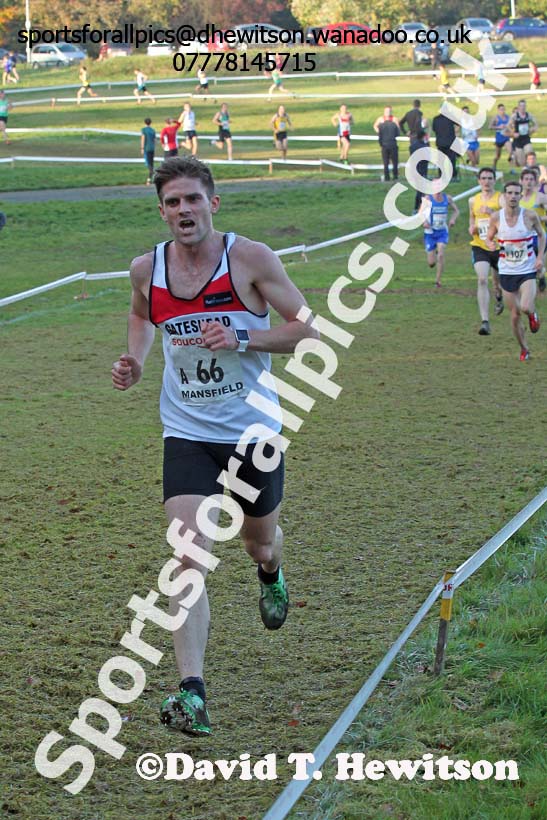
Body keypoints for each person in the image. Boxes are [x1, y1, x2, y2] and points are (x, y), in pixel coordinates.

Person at [111, 157, 318, 736]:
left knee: (259, 544)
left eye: (193, 200)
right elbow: (140, 317)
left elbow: (307, 329)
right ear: (162, 211)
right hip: (186, 433)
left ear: (213, 203)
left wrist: (242, 336)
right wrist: (136, 361)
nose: (184, 211)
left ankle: (272, 572)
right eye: (173, 202)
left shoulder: (249, 259)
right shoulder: (145, 268)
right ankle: (192, 692)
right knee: (187, 557)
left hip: (253, 433)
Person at [486, 180, 544, 360]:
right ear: (504, 196)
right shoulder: (496, 217)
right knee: (514, 315)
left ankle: (533, 314)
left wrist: (540, 257)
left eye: (516, 193)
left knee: (525, 306)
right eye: (509, 193)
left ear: (520, 196)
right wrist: (490, 244)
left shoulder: (530, 216)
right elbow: (489, 237)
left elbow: (542, 235)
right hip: (507, 271)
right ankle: (524, 349)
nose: (513, 196)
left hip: (526, 270)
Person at [469, 167, 505, 335]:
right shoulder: (473, 200)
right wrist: (472, 228)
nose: (486, 181)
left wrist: (493, 213)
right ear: (479, 181)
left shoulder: (501, 199)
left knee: (499, 284)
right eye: (483, 178)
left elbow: (509, 218)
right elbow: (472, 220)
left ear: (494, 180)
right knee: (482, 279)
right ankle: (485, 321)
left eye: (490, 178)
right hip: (480, 246)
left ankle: (499, 296)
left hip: (499, 246)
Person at [419, 180, 460, 287]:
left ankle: (438, 281)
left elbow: (456, 211)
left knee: (441, 255)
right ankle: (434, 253)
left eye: (439, 185)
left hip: (442, 232)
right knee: (431, 263)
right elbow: (420, 213)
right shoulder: (428, 199)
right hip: (430, 233)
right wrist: (424, 222)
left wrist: (452, 220)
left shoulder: (448, 198)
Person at [519, 167, 547, 291]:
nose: (529, 182)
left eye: (531, 179)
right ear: (521, 181)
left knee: (537, 263)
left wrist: (539, 218)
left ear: (535, 182)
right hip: (523, 236)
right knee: (525, 263)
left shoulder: (540, 197)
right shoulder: (516, 198)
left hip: (540, 235)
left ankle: (541, 275)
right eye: (526, 179)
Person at [374, 106, 400, 181]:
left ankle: (388, 176)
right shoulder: (381, 119)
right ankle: (393, 176)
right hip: (390, 143)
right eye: (386, 111)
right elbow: (398, 132)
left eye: (389, 111)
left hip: (386, 143)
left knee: (388, 161)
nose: (388, 112)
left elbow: (398, 129)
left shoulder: (394, 119)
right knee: (392, 161)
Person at [508, 100, 537, 167]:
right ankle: (525, 169)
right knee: (521, 161)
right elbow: (508, 126)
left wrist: (532, 129)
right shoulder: (515, 116)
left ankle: (532, 169)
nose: (523, 107)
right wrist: (513, 133)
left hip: (526, 138)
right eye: (521, 106)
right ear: (518, 107)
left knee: (529, 153)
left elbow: (536, 124)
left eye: (524, 105)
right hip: (518, 140)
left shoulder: (528, 115)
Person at [432, 110, 458, 180]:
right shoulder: (450, 118)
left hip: (440, 143)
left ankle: (441, 174)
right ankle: (452, 175)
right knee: (452, 160)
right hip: (450, 142)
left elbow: (434, 129)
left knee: (441, 160)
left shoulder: (436, 119)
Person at [409, 128, 429, 213]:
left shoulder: (412, 146)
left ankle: (421, 206)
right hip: (422, 170)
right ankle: (417, 207)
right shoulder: (424, 146)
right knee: (421, 190)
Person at [490, 103, 512, 170]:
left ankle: (511, 168)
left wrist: (509, 128)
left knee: (511, 152)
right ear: (498, 110)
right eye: (501, 109)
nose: (502, 111)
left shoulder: (508, 117)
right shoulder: (496, 118)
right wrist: (498, 127)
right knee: (497, 156)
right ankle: (494, 165)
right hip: (499, 139)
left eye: (503, 109)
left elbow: (511, 126)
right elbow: (490, 127)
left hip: (506, 138)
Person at [140, 117, 156, 184]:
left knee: (149, 164)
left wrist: (142, 148)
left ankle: (150, 177)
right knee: (151, 162)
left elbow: (143, 139)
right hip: (152, 148)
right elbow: (154, 140)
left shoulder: (143, 130)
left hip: (147, 148)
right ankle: (150, 177)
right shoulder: (153, 130)